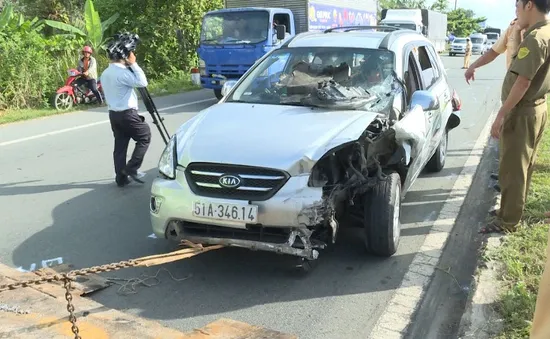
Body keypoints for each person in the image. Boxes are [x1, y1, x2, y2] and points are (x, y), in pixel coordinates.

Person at [479, 0, 550, 234]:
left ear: (530, 5)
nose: (516, 10)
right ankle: (510, 211)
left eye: (518, 5)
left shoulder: (536, 38)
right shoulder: (544, 32)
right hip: (536, 107)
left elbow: (522, 81)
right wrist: (519, 31)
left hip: (521, 111)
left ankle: (508, 221)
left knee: (513, 169)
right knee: (523, 167)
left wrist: (502, 114)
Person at [100, 44, 151, 187]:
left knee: (120, 145)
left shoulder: (105, 73)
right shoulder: (122, 73)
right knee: (144, 136)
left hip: (114, 115)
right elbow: (142, 82)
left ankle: (121, 178)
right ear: (124, 56)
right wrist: (133, 63)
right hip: (127, 114)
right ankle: (131, 168)